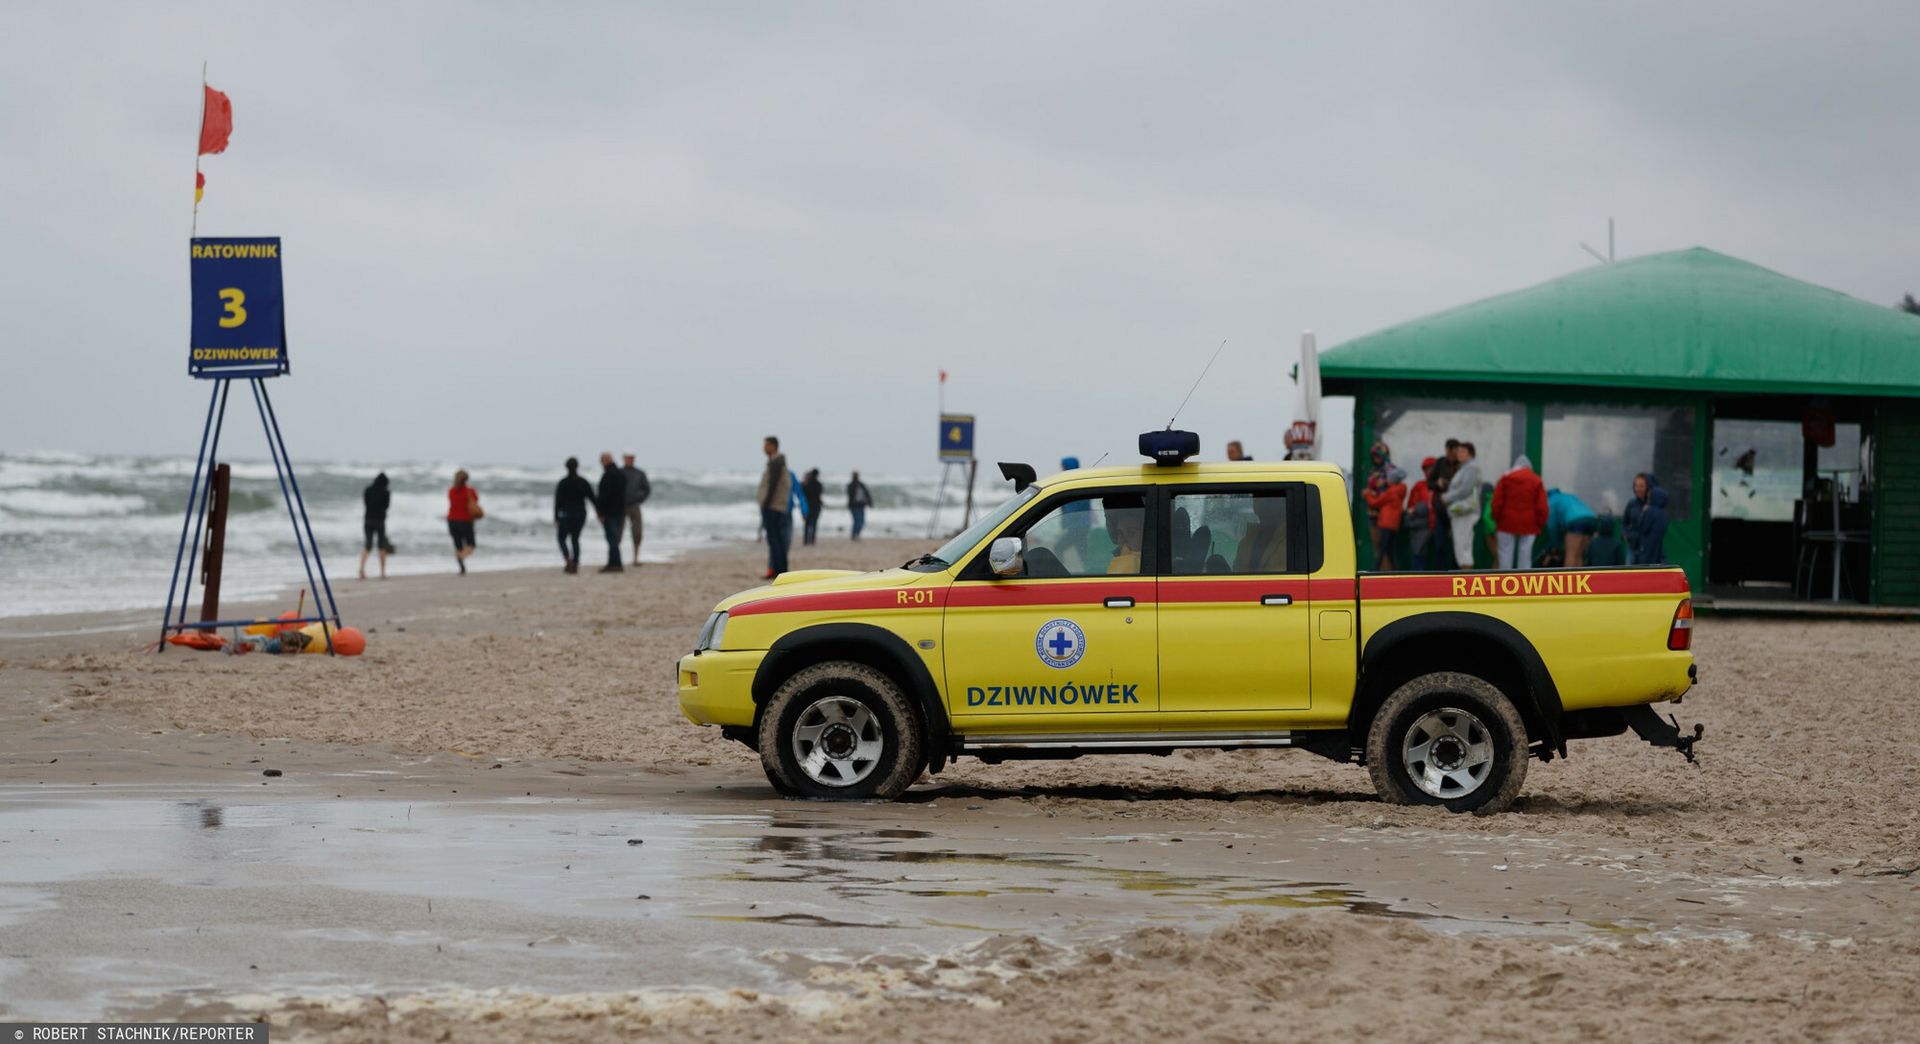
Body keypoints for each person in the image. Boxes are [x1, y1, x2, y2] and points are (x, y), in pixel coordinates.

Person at [1492, 454, 1548, 570]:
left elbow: (1496, 502)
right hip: (1529, 523)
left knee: (1505, 554)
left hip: (1506, 522)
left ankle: (1505, 583)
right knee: (1525, 555)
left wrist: (1497, 518)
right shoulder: (1536, 480)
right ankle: (1524, 584)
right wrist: (1540, 522)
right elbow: (1542, 505)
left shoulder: (1505, 478)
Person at [1440, 441, 1482, 570]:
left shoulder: (1471, 468)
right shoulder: (1464, 468)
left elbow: (1466, 489)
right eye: (1459, 451)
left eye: (1463, 451)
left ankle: (1467, 581)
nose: (1459, 454)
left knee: (1463, 548)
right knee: (1461, 547)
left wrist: (1447, 497)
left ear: (1471, 454)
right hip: (1461, 513)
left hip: (1465, 512)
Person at [757, 436, 793, 579]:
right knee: (777, 539)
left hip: (773, 506)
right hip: (777, 505)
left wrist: (766, 502)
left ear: (773, 446)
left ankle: (780, 570)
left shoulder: (776, 463)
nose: (763, 448)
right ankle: (780, 569)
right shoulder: (777, 462)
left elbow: (773, 484)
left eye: (765, 445)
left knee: (775, 539)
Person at [554, 457, 595, 574]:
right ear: (577, 466)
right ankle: (575, 563)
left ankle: (568, 560)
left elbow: (557, 502)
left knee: (561, 538)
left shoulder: (563, 483)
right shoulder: (583, 482)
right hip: (580, 514)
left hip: (566, 514)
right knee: (575, 539)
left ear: (566, 467)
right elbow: (592, 498)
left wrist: (556, 517)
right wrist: (599, 511)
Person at [1364, 465, 1407, 571]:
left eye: (1388, 478)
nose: (1386, 480)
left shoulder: (1390, 492)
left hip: (1385, 524)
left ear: (1392, 480)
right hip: (1394, 525)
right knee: (1390, 551)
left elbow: (1375, 503)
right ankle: (1396, 571)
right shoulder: (1401, 490)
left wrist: (1367, 495)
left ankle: (1374, 571)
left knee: (1381, 549)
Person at [1545, 488, 1599, 567]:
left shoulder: (1551, 501)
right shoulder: (1568, 496)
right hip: (1591, 520)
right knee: (1579, 556)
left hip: (1576, 522)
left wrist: (1555, 544)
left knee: (1571, 556)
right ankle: (1580, 578)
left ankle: (1567, 578)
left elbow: (1552, 526)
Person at [594, 452, 627, 573]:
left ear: (606, 460)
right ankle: (613, 562)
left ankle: (615, 563)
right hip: (620, 511)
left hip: (610, 512)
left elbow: (604, 496)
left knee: (612, 538)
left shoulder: (608, 475)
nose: (601, 463)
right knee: (614, 538)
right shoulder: (621, 474)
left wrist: (600, 512)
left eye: (602, 460)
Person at [358, 472, 394, 580]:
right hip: (380, 521)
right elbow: (387, 506)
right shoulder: (386, 492)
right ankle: (382, 572)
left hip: (368, 520)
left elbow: (365, 503)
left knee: (367, 545)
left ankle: (361, 569)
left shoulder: (368, 490)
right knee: (381, 546)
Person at [1405, 457, 1437, 570]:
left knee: (1439, 558)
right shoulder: (1419, 486)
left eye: (1432, 468)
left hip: (1438, 527)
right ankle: (1417, 584)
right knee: (1419, 556)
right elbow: (1411, 507)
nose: (1430, 471)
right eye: (1427, 469)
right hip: (1422, 528)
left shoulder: (1441, 486)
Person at [446, 469, 479, 575]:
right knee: (471, 545)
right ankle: (461, 557)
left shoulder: (451, 491)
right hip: (465, 520)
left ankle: (462, 568)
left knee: (458, 545)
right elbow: (475, 502)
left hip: (451, 521)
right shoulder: (470, 491)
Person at [620, 453, 651, 567]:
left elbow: (646, 489)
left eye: (631, 458)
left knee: (637, 532)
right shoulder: (620, 472)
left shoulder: (639, 473)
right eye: (628, 458)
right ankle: (618, 557)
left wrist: (639, 498)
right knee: (618, 532)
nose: (629, 460)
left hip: (634, 505)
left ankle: (635, 558)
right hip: (621, 506)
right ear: (624, 459)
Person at [1624, 473, 1660, 563]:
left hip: (1647, 550)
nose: (1638, 489)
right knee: (1629, 574)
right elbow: (1625, 521)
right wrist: (1625, 534)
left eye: (1641, 486)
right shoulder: (1631, 504)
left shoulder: (1653, 506)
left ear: (1648, 487)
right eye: (1636, 486)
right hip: (1632, 547)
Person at [1631, 487, 1670, 565]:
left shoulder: (1650, 511)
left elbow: (1642, 527)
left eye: (1650, 496)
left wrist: (1643, 513)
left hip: (1646, 552)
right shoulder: (1663, 514)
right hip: (1657, 551)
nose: (1648, 498)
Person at [800, 468, 825, 546]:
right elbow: (819, 495)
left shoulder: (807, 484)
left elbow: (802, 494)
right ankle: (812, 540)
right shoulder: (819, 484)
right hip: (816, 506)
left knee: (807, 524)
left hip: (808, 506)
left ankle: (806, 540)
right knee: (814, 524)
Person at [847, 471, 872, 540]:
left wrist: (870, 502)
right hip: (854, 506)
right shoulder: (851, 485)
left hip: (861, 505)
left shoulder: (861, 485)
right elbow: (850, 496)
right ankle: (854, 535)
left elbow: (867, 494)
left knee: (861, 521)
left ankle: (856, 534)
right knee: (857, 521)